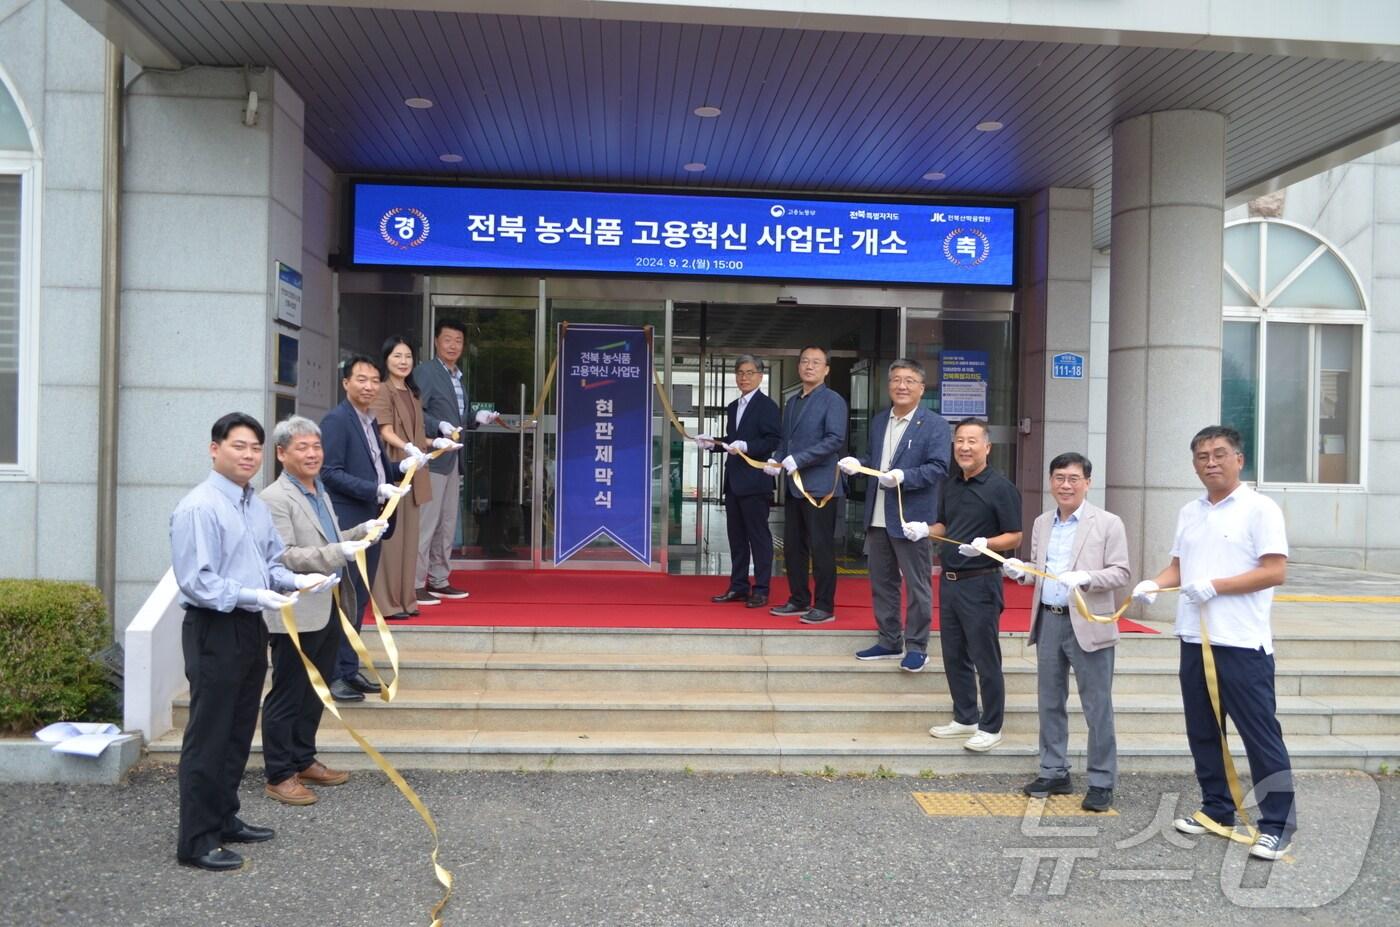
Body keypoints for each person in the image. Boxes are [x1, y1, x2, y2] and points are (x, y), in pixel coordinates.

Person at [169, 412, 332, 871]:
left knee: (239, 729)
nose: (248, 456)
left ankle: (225, 818)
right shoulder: (200, 506)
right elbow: (197, 581)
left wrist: (297, 583)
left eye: (255, 448)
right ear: (214, 448)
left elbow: (270, 562)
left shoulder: (251, 504)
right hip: (213, 626)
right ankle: (197, 839)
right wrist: (252, 593)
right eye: (238, 446)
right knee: (209, 734)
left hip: (249, 624)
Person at [1132, 425, 1295, 861]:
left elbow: (1274, 571)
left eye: (1219, 454)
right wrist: (1153, 582)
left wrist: (1217, 586)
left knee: (1260, 736)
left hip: (1241, 642)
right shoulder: (1191, 511)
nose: (1211, 462)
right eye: (1202, 456)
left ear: (1239, 459)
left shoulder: (1260, 509)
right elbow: (1179, 568)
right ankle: (1217, 809)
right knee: (1204, 732)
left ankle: (1277, 825)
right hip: (1193, 636)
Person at [260, 415, 387, 806]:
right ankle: (279, 773)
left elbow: (328, 540)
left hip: (331, 602)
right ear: (282, 454)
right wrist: (339, 551)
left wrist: (358, 532)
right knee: (288, 691)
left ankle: (303, 758)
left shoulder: (319, 490)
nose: (312, 453)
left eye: (316, 446)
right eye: (302, 447)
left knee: (317, 688)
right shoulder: (275, 498)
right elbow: (283, 556)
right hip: (298, 610)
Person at [1001, 452, 1129, 812]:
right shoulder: (1043, 523)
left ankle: (1102, 780)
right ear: (1050, 481)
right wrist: (1018, 569)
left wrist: (1088, 577)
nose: (1066, 485)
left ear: (1088, 482)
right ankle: (1054, 770)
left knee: (1097, 706)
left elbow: (1121, 572)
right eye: (1059, 478)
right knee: (1050, 702)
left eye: (1074, 478)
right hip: (1049, 620)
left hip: (1090, 622)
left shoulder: (1107, 523)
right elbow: (1039, 573)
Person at [916, 417, 1021, 753]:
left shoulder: (1000, 487)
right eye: (959, 440)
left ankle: (991, 726)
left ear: (987, 447)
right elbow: (946, 525)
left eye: (972, 441)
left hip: (981, 582)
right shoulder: (951, 484)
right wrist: (925, 529)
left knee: (984, 656)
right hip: (950, 582)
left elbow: (1015, 535)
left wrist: (985, 543)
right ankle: (964, 717)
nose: (964, 447)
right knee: (954, 654)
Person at [838, 358, 950, 671]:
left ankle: (917, 645)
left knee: (917, 584)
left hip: (910, 517)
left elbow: (939, 467)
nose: (902, 386)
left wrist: (904, 476)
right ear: (888, 386)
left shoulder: (935, 424)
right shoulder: (878, 422)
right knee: (881, 582)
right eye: (896, 380)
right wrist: (857, 465)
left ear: (921, 387)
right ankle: (888, 640)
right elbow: (875, 460)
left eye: (909, 381)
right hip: (876, 516)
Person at [320, 356, 407, 703]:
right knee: (344, 600)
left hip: (372, 522)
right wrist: (375, 491)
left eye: (374, 380)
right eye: (361, 379)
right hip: (350, 525)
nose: (369, 386)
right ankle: (333, 675)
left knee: (358, 600)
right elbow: (330, 472)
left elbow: (376, 469)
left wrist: (402, 468)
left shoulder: (368, 421)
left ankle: (348, 668)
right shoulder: (337, 421)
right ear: (345, 383)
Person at [414, 318, 499, 604]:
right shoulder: (426, 372)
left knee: (447, 524)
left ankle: (439, 579)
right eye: (447, 339)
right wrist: (437, 425)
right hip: (433, 459)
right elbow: (414, 411)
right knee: (427, 524)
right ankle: (415, 583)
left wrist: (475, 418)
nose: (453, 345)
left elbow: (457, 419)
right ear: (437, 341)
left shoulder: (458, 376)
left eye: (458, 341)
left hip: (453, 461)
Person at [372, 336, 454, 619]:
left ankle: (406, 600)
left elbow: (418, 436)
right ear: (386, 359)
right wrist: (406, 447)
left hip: (416, 469)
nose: (403, 361)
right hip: (395, 467)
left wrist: (436, 443)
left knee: (410, 539)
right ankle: (387, 602)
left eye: (407, 356)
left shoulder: (412, 392)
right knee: (392, 541)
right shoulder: (382, 391)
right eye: (397, 356)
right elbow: (384, 430)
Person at [765, 346, 848, 624]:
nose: (808, 366)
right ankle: (798, 599)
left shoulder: (832, 400)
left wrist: (799, 459)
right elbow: (785, 442)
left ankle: (824, 606)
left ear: (826, 369)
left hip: (820, 488)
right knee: (793, 547)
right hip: (794, 487)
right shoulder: (792, 402)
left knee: (821, 548)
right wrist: (775, 461)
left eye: (816, 362)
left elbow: (835, 439)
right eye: (804, 362)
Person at [696, 355, 781, 609]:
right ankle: (739, 586)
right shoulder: (734, 406)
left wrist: (748, 446)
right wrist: (714, 444)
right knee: (737, 539)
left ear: (760, 376)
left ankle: (762, 589)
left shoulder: (767, 406)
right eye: (740, 373)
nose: (744, 377)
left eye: (749, 372)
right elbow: (734, 440)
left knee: (759, 538)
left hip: (756, 482)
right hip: (733, 482)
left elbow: (772, 440)